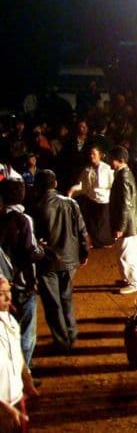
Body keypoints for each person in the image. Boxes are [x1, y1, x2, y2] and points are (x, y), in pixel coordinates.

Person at [31, 169, 89, 352]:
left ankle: (63, 340)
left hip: (48, 262)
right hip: (70, 259)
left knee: (52, 303)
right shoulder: (71, 202)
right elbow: (82, 230)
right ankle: (71, 333)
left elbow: (34, 240)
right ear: (55, 184)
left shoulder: (36, 208)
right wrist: (84, 253)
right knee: (66, 298)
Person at [0, 179, 44, 367]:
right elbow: (30, 252)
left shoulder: (0, 218)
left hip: (4, 285)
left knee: (9, 330)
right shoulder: (24, 220)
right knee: (26, 332)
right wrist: (42, 250)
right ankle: (23, 373)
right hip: (23, 283)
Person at [0, 277, 38, 432]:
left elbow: (17, 350)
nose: (8, 297)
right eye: (1, 294)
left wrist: (26, 378)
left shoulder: (10, 320)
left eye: (8, 291)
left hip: (16, 397)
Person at [108, 146, 137, 294]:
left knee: (127, 254)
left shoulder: (123, 176)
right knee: (125, 253)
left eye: (112, 159)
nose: (110, 161)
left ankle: (134, 282)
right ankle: (128, 278)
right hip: (128, 221)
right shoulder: (124, 173)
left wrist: (121, 227)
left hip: (127, 223)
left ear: (121, 160)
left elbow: (125, 204)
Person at [68, 144, 114, 248]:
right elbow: (81, 184)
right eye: (90, 154)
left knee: (103, 223)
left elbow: (112, 184)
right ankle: (93, 242)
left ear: (100, 155)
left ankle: (105, 242)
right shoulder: (87, 169)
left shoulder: (107, 168)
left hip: (104, 199)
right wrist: (71, 191)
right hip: (91, 199)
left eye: (94, 153)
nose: (91, 156)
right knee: (92, 222)